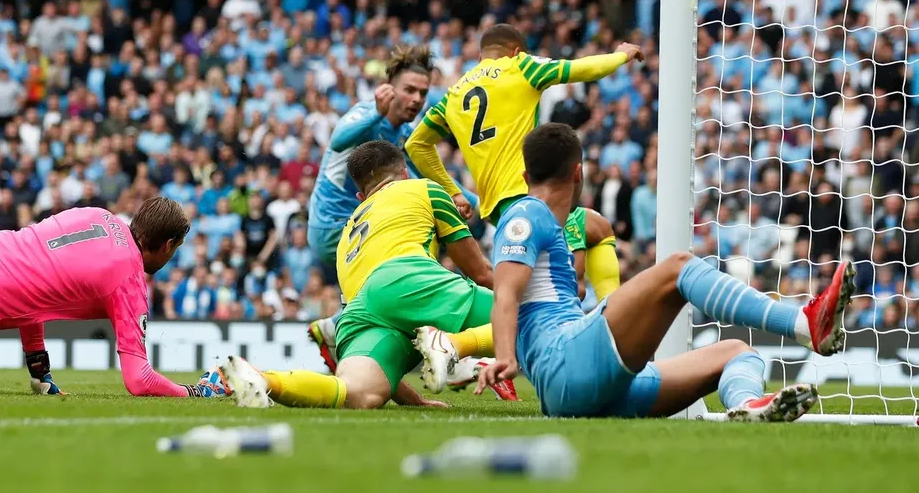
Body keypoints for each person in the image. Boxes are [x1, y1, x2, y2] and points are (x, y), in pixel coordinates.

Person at [467, 124, 849, 421]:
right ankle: (803, 323)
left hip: (595, 388)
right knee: (678, 268)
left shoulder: (553, 223)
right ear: (579, 172)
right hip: (564, 362)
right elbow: (505, 294)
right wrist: (505, 357)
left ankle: (748, 406)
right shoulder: (526, 213)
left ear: (523, 173)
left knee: (737, 352)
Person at [406, 24, 639, 379]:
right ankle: (616, 336)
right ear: (515, 50)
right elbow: (582, 69)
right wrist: (622, 54)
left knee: (592, 234)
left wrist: (454, 190)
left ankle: (458, 347)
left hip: (502, 207)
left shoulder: (454, 93)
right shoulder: (521, 67)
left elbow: (416, 146)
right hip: (533, 197)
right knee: (565, 284)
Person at [219, 141, 513, 408]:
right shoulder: (423, 189)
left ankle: (264, 379)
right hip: (408, 277)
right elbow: (483, 273)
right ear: (405, 173)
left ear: (361, 196)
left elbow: (383, 309)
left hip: (362, 309)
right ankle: (452, 345)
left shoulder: (348, 231)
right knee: (528, 317)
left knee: (357, 393)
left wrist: (417, 402)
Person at [0, 196, 226, 398]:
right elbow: (139, 379)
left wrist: (39, 369)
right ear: (168, 245)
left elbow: (35, 274)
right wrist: (195, 391)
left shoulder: (99, 216)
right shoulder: (129, 280)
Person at [304, 45, 482, 370]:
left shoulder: (405, 134)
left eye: (422, 92)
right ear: (389, 89)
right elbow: (338, 140)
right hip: (334, 226)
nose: (416, 99)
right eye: (409, 90)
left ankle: (340, 327)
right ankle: (454, 353)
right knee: (419, 244)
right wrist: (376, 111)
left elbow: (419, 179)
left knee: (418, 233)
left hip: (360, 225)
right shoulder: (363, 113)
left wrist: (471, 200)